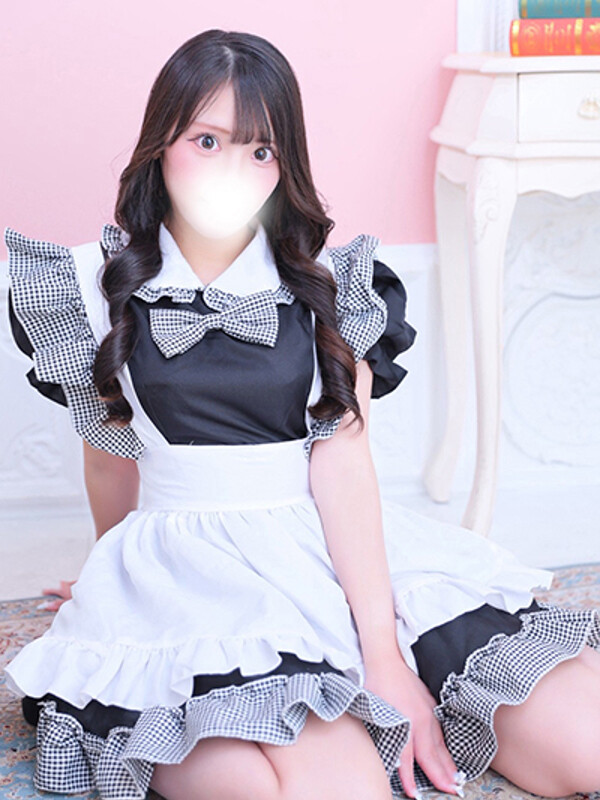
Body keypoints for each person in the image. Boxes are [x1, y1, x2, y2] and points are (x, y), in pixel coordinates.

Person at [4, 29, 600, 800]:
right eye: (207, 140)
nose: (234, 169)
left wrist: (384, 655)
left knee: (583, 745)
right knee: (337, 788)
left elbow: (344, 467)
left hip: (326, 541)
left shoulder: (328, 284)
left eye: (260, 150)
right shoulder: (88, 286)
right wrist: (112, 582)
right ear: (161, 145)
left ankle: (413, 694)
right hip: (196, 574)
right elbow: (107, 453)